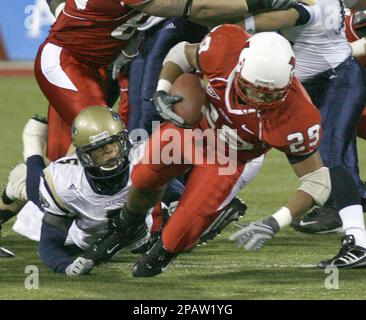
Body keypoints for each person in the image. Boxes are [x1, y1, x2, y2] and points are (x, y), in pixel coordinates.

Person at [75, 27, 330, 277]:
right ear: (239, 67)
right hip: (190, 130)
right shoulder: (225, 48)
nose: (257, 99)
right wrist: (163, 89)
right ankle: (126, 228)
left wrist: (275, 221)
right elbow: (181, 54)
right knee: (143, 177)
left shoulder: (298, 116)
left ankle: (162, 253)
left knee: (182, 228)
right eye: (252, 89)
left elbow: (317, 181)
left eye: (268, 95)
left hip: (227, 157)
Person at [39, 0, 300, 162]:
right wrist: (255, 2)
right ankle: (55, 206)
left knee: (81, 150)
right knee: (104, 142)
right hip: (68, 61)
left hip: (98, 64)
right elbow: (194, 8)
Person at [239, 0, 366, 268]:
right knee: (341, 163)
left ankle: (359, 242)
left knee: (332, 158)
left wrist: (226, 25)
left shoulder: (310, 7)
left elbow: (283, 17)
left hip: (337, 80)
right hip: (318, 86)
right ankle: (356, 240)